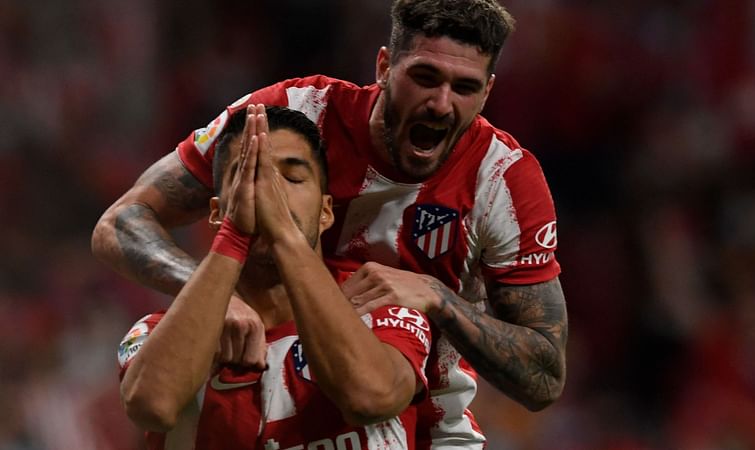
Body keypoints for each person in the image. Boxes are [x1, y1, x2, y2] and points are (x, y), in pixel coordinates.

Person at [94, 0, 568, 446]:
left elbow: (543, 376)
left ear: (487, 92)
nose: (441, 104)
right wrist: (216, 296)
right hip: (271, 377)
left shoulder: (503, 180)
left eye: (464, 87)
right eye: (424, 77)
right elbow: (122, 222)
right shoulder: (290, 116)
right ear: (383, 67)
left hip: (420, 425)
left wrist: (439, 298)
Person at [118, 105, 432, 449]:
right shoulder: (164, 330)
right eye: (249, 177)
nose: (270, 193)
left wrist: (283, 232)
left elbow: (372, 397)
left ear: (326, 211)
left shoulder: (377, 298)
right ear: (216, 213)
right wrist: (235, 235)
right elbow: (152, 406)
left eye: (293, 178)